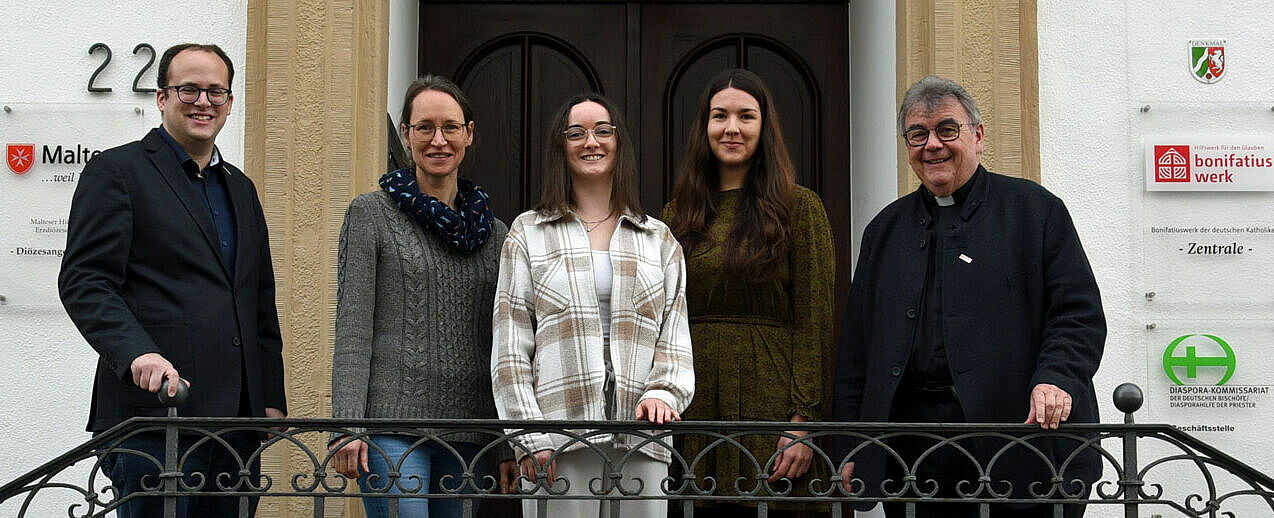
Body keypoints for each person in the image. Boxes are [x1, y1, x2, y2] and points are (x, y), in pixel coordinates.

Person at [832, 75, 1105, 518]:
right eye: (917, 134)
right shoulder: (884, 231)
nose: (932, 145)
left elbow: (1078, 315)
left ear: (977, 136)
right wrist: (849, 445)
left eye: (947, 129)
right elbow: (856, 352)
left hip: (1021, 445)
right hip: (913, 454)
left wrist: (1056, 377)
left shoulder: (1035, 212)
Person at [58, 43, 287, 518]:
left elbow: (258, 299)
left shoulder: (241, 189)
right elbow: (85, 281)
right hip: (154, 419)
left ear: (229, 102)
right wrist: (136, 352)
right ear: (162, 97)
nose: (203, 101)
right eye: (189, 89)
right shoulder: (117, 172)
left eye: (216, 91)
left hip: (237, 426)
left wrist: (270, 398)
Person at [491, 93, 695, 518]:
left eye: (603, 131)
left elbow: (675, 336)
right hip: (558, 437)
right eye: (576, 133)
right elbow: (510, 348)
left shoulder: (658, 240)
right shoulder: (528, 234)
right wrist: (529, 437)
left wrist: (664, 392)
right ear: (560, 146)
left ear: (619, 143)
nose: (591, 142)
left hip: (642, 437)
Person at [328, 74, 515, 517]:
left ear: (468, 134)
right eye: (424, 127)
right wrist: (347, 426)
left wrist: (506, 442)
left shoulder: (496, 235)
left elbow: (503, 347)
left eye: (450, 127)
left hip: (468, 431)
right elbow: (353, 328)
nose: (438, 140)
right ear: (407, 136)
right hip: (391, 428)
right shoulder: (371, 214)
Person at [662, 68, 836, 517]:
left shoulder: (800, 207)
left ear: (765, 127)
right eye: (720, 116)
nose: (732, 128)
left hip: (770, 406)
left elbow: (815, 320)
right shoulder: (677, 215)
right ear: (705, 127)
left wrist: (803, 423)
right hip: (694, 403)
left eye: (746, 116)